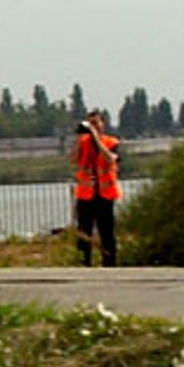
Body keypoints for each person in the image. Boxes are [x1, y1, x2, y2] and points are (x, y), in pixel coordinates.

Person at [72, 109, 122, 267]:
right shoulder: (83, 143)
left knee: (106, 232)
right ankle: (83, 262)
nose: (92, 126)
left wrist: (96, 138)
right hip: (86, 194)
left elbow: (110, 158)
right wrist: (80, 139)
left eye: (95, 123)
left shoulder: (111, 142)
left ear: (103, 124)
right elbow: (74, 159)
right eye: (90, 123)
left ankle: (109, 263)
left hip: (105, 194)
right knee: (84, 232)